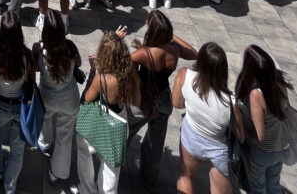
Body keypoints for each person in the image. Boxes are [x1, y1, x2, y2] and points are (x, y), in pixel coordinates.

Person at [128, 10, 197, 193]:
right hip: (164, 100)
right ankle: (149, 182)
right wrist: (172, 36)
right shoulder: (174, 50)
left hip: (142, 102)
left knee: (125, 133)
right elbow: (193, 53)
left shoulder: (144, 54)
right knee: (156, 142)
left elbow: (126, 66)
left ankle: (115, 169)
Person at [172, 42, 244, 194]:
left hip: (191, 138)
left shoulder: (185, 76)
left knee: (185, 177)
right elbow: (240, 136)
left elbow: (177, 103)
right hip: (219, 148)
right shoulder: (231, 103)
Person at [76, 28, 140, 194]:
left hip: (99, 122)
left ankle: (86, 190)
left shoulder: (102, 78)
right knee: (112, 167)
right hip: (119, 122)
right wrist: (115, 41)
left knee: (83, 149)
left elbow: (86, 99)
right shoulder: (130, 73)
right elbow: (137, 99)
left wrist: (93, 71)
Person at [0, 11, 33, 193]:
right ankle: (10, 186)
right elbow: (29, 82)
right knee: (17, 149)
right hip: (20, 106)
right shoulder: (27, 55)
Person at [32, 10, 81, 185]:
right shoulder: (70, 47)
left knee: (45, 119)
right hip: (70, 101)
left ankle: (45, 142)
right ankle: (56, 173)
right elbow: (79, 63)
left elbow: (34, 68)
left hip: (47, 98)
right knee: (65, 138)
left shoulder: (38, 49)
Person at [235, 45, 292, 194]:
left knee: (258, 188)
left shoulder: (256, 95)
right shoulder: (279, 79)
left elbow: (259, 135)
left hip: (263, 151)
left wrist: (240, 118)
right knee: (273, 184)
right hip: (281, 145)